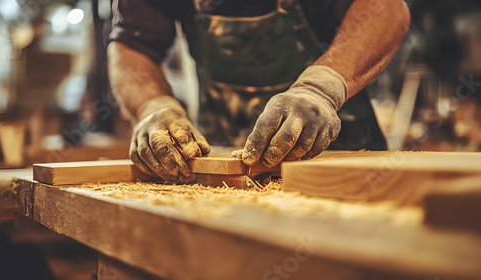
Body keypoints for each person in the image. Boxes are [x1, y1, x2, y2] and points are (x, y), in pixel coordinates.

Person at [107, 0, 410, 183]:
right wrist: (153, 106)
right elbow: (133, 44)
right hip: (225, 167)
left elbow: (383, 8)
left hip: (341, 158)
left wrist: (320, 88)